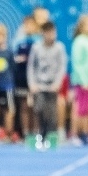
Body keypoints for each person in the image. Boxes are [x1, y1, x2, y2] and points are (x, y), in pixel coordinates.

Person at [27, 20, 68, 149]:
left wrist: (57, 83)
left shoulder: (59, 47)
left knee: (51, 113)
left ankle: (51, 136)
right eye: (49, 33)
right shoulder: (36, 47)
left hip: (52, 86)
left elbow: (62, 66)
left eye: (53, 32)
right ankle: (40, 136)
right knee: (39, 110)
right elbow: (31, 66)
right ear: (43, 33)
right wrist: (32, 84)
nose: (51, 35)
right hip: (39, 85)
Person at [69, 14, 88, 145]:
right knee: (79, 109)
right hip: (81, 82)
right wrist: (84, 80)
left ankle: (85, 134)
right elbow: (77, 64)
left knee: (87, 109)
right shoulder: (79, 41)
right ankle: (74, 134)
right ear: (82, 26)